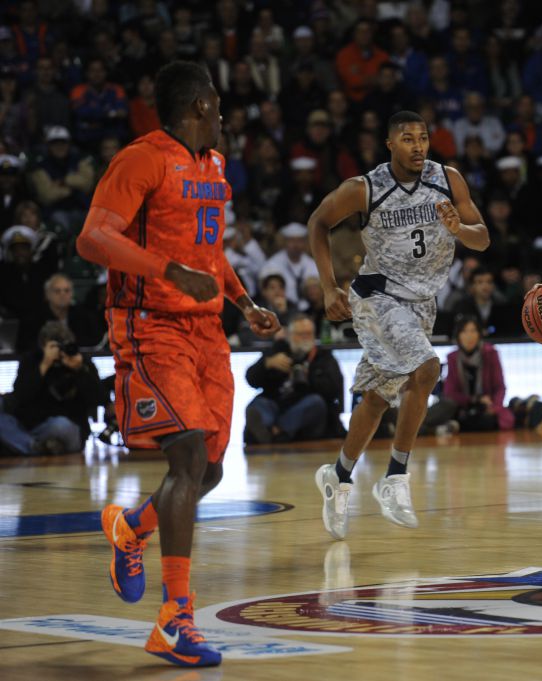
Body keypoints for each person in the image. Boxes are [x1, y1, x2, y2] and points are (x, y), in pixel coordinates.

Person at [75, 61, 280, 667]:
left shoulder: (214, 167)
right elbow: (92, 237)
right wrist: (167, 272)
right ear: (199, 105)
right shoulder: (143, 159)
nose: (224, 117)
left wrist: (243, 302)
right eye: (218, 106)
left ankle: (131, 528)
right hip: (149, 324)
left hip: (208, 328)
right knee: (187, 455)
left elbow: (208, 252)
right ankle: (175, 619)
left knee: (210, 471)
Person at [310, 110, 489, 540]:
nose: (418, 146)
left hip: (421, 305)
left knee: (375, 401)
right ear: (390, 144)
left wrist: (459, 228)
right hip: (377, 297)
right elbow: (317, 221)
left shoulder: (448, 179)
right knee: (427, 369)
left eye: (423, 138)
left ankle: (338, 476)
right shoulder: (365, 188)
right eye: (407, 138)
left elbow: (483, 237)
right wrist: (329, 287)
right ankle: (395, 476)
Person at [0, 321, 102, 456]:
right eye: (55, 346)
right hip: (32, 426)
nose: (60, 351)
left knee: (61, 425)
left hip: (67, 426)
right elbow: (19, 396)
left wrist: (80, 370)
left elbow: (99, 399)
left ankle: (26, 445)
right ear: (43, 345)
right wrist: (44, 365)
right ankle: (34, 446)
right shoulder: (31, 360)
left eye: (64, 345)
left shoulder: (80, 361)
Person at [244, 314, 344, 444]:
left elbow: (334, 390)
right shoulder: (277, 351)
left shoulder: (323, 357)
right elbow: (251, 380)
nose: (305, 338)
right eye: (300, 334)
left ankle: (275, 431)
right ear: (289, 335)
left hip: (306, 408)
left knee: (315, 403)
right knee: (258, 405)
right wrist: (266, 364)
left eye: (309, 334)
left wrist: (310, 376)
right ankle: (270, 430)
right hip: (276, 404)